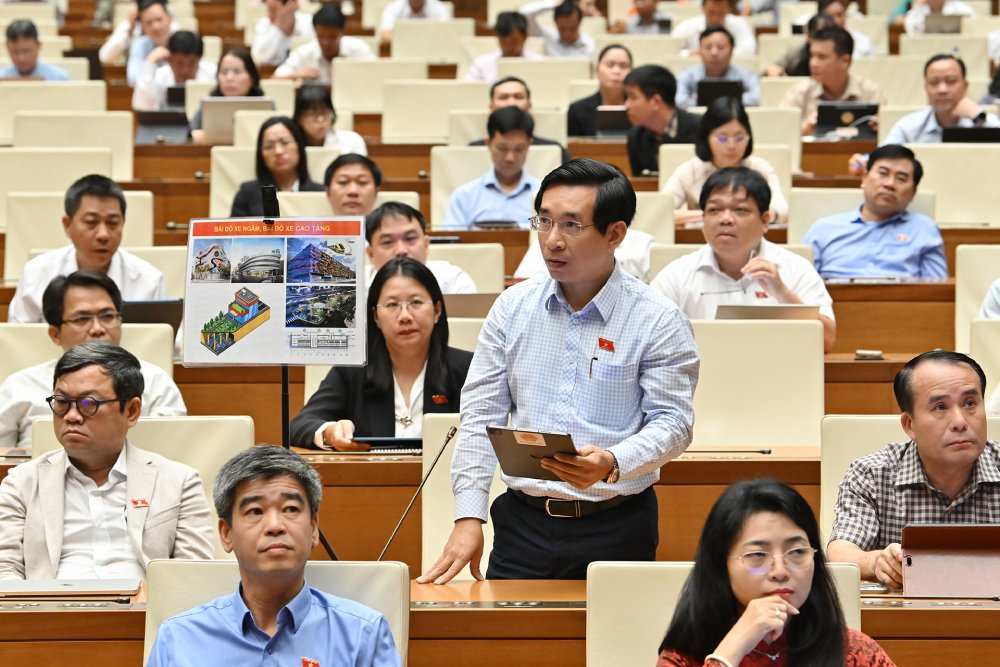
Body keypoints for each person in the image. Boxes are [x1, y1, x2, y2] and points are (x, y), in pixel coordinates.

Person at [418, 158, 700, 584]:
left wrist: (612, 461)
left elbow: (674, 422)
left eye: (571, 225)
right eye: (544, 221)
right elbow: (480, 418)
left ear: (615, 234)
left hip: (618, 525)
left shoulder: (658, 320)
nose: (552, 241)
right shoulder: (512, 309)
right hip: (523, 524)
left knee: (612, 648)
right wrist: (469, 516)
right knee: (512, 646)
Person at [145, 446, 401, 665]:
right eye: (255, 511)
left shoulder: (363, 634)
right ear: (226, 534)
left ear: (313, 528)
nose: (275, 525)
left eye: (290, 508)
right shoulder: (178, 638)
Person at [0, 341, 214, 579]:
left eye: (88, 404)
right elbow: (4, 570)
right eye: (61, 402)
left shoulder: (179, 482)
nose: (71, 416)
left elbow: (194, 575)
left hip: (146, 612)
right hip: (49, 613)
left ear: (131, 411)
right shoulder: (20, 484)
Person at [656, 478, 895, 666]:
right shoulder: (684, 657)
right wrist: (732, 650)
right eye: (758, 555)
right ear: (720, 565)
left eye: (797, 552)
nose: (780, 571)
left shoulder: (854, 652)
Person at [827, 351, 1000, 588]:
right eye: (940, 407)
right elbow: (840, 553)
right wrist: (876, 561)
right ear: (910, 425)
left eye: (970, 403)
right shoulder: (871, 474)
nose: (960, 421)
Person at [289, 257, 473, 451]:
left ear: (437, 310)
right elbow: (301, 424)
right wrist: (329, 432)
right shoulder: (353, 370)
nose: (405, 316)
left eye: (416, 302)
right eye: (392, 305)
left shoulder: (469, 370)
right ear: (376, 316)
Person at [650, 167, 836, 351]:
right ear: (703, 218)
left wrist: (782, 293)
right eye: (714, 210)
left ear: (765, 220)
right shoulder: (678, 274)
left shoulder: (796, 269)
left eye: (740, 210)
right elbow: (646, 336)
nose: (726, 219)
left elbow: (826, 340)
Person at [0, 270, 186, 447]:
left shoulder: (156, 383)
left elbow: (173, 449)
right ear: (55, 333)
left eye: (107, 316)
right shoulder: (18, 387)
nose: (98, 328)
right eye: (82, 319)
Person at [8, 174, 166, 324]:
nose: (103, 235)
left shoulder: (149, 281)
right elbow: (20, 341)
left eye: (113, 223)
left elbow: (164, 345)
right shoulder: (35, 274)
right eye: (91, 222)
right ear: (67, 225)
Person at [804, 144, 947, 279]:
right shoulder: (823, 229)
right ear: (864, 178)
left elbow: (938, 290)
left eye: (901, 178)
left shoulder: (924, 229)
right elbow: (798, 285)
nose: (889, 184)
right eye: (883, 173)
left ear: (913, 193)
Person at [662, 97, 787, 227]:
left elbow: (783, 211)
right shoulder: (689, 171)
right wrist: (709, 214)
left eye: (739, 138)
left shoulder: (760, 169)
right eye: (722, 138)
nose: (731, 145)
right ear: (707, 138)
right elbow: (660, 213)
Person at [444, 107, 541, 230]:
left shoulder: (544, 195)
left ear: (529, 145)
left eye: (519, 149)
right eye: (502, 148)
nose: (510, 158)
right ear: (488, 143)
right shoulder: (464, 196)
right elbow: (453, 244)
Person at [779, 27, 886, 135]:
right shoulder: (799, 92)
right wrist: (803, 130)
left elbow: (889, 136)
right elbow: (780, 134)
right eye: (811, 56)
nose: (813, 63)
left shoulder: (872, 92)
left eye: (822, 57)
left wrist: (880, 128)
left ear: (845, 61)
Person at [883, 54, 1000, 144]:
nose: (942, 90)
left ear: (965, 86)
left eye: (951, 81)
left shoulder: (986, 121)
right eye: (934, 82)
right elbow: (882, 157)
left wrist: (978, 117)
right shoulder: (909, 126)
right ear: (926, 88)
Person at [364, 203, 476, 293]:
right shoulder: (354, 288)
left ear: (426, 245)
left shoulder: (453, 280)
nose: (401, 250)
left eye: (410, 238)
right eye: (388, 242)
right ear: (371, 254)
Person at [230, 116, 324, 217]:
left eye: (285, 142)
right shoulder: (247, 194)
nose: (278, 151)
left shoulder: (321, 193)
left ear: (299, 146)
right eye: (269, 146)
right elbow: (234, 231)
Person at [471, 76, 572, 163]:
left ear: (529, 106)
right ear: (491, 107)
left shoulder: (555, 150)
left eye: (518, 97)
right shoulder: (473, 150)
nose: (512, 103)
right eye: (503, 97)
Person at [624, 65, 701, 176]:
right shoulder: (636, 136)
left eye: (633, 97)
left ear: (656, 101)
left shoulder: (701, 129)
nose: (626, 105)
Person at [272, 4, 374, 83]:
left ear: (342, 32)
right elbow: (275, 79)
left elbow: (377, 75)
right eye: (321, 37)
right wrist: (298, 75)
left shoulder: (359, 49)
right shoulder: (304, 53)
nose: (326, 43)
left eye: (332, 37)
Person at [190, 47, 265, 144]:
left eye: (237, 72)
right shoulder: (209, 104)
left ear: (252, 77)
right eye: (224, 72)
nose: (229, 78)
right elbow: (189, 134)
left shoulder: (265, 105)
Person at [675, 27, 760, 110]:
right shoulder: (687, 75)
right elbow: (680, 101)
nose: (714, 53)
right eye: (708, 47)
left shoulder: (747, 75)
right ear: (700, 52)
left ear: (731, 51)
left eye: (721, 47)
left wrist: (702, 99)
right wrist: (733, 99)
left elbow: (758, 98)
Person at [132, 30, 216, 111]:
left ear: (200, 59)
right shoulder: (159, 76)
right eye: (179, 63)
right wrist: (149, 64)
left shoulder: (213, 74)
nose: (185, 70)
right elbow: (141, 108)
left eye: (191, 63)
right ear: (169, 59)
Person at [567, 44, 632, 137]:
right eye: (610, 65)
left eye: (623, 66)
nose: (617, 71)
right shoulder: (577, 110)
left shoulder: (641, 109)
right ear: (597, 70)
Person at [465, 11, 544, 83]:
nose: (508, 46)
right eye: (503, 41)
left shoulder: (540, 63)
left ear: (525, 37)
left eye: (514, 41)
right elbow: (469, 90)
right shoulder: (482, 63)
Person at [293, 84, 367, 155]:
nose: (320, 119)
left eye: (325, 112)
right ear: (299, 118)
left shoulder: (352, 141)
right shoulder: (291, 146)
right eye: (313, 114)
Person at [117, 0, 176, 86]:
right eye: (149, 22)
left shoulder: (182, 40)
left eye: (159, 20)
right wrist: (150, 61)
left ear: (170, 18)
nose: (155, 26)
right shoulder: (141, 44)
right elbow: (133, 80)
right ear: (143, 27)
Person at [671, 0, 757, 57]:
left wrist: (721, 54)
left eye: (720, 13)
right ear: (703, 8)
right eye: (711, 12)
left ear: (727, 9)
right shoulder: (688, 26)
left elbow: (749, 51)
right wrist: (690, 53)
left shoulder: (740, 24)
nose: (715, 18)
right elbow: (669, 50)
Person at [792, 0, 876, 58]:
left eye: (840, 15)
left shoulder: (864, 41)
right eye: (831, 16)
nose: (836, 20)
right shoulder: (813, 42)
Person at [764, 13, 836, 78]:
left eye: (828, 36)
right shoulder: (796, 53)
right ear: (808, 35)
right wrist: (772, 71)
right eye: (819, 35)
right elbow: (773, 68)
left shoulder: (840, 54)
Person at [520, 0, 596, 58]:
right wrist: (552, 3)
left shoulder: (590, 44)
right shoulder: (548, 37)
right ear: (555, 23)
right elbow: (523, 14)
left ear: (579, 23)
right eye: (562, 29)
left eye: (572, 28)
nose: (567, 33)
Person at [250, 0, 315, 66]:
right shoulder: (264, 23)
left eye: (272, 9)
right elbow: (259, 58)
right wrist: (277, 26)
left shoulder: (309, 22)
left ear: (290, 6)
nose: (268, 13)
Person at [1, 20, 70, 80]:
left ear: (38, 45)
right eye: (15, 51)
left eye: (26, 50)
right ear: (7, 47)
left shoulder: (59, 78)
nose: (21, 58)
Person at [379, 0, 449, 45]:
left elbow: (446, 34)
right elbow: (385, 34)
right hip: (403, 54)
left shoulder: (439, 8)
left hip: (433, 53)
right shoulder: (393, 7)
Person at [904, 0, 975, 34]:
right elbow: (912, 34)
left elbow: (974, 32)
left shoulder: (963, 10)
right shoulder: (917, 11)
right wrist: (917, 7)